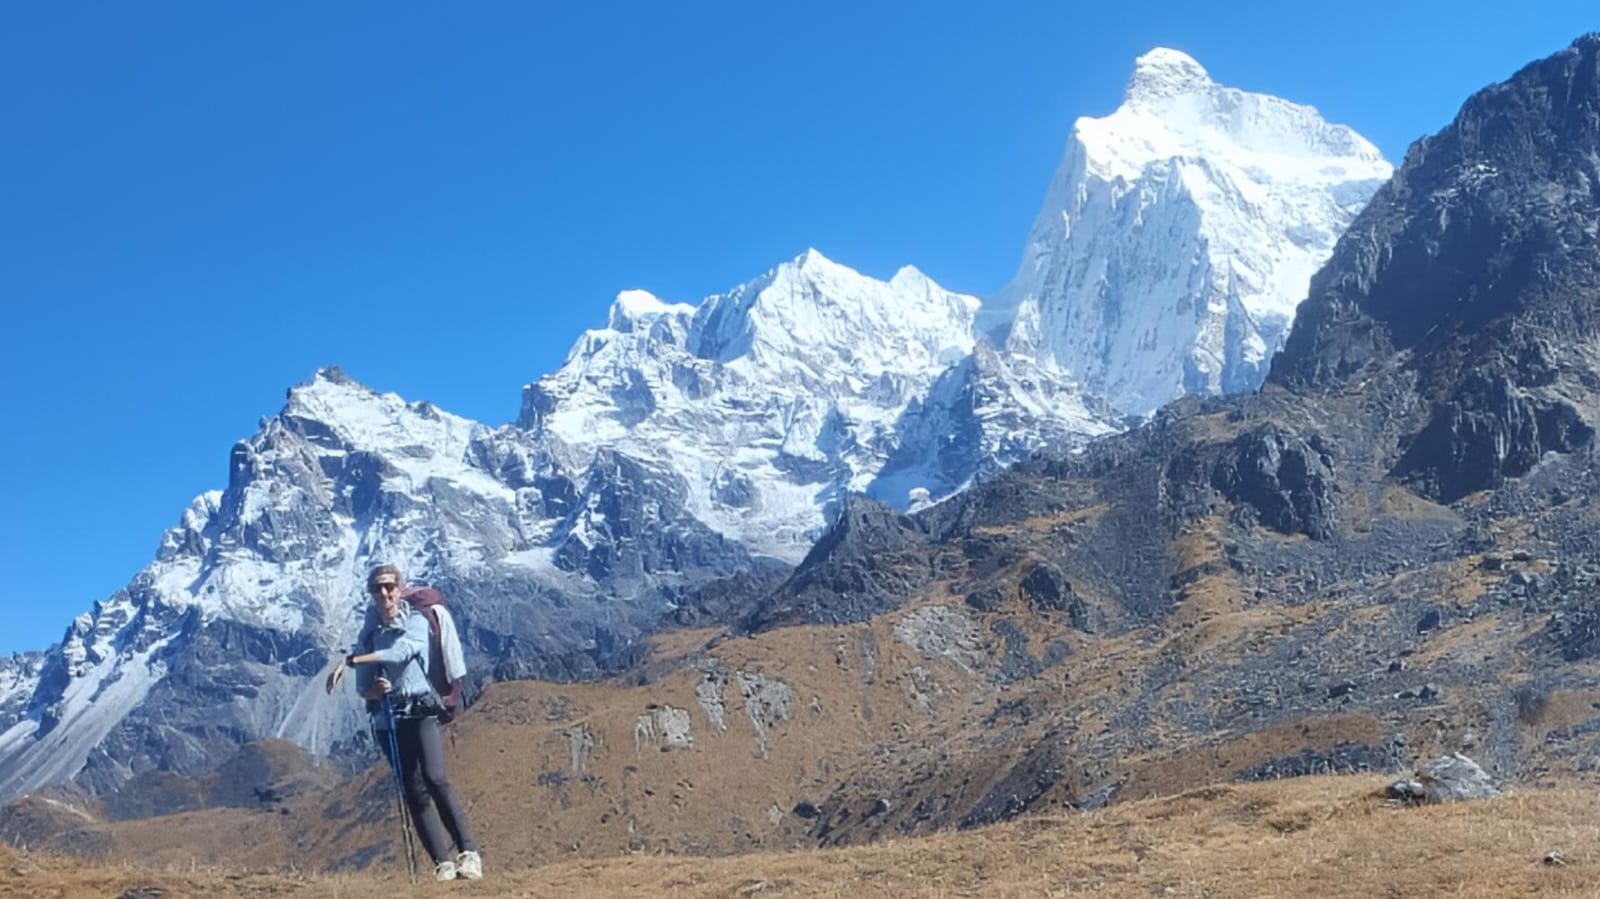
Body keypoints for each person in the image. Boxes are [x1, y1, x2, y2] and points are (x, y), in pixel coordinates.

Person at [327, 564, 483, 882]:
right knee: (414, 790)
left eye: (389, 586)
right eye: (378, 588)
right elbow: (364, 690)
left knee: (435, 778)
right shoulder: (370, 636)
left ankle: (469, 853)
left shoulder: (414, 621)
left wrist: (349, 660)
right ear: (372, 595)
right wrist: (374, 689)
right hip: (389, 719)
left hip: (420, 710)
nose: (384, 593)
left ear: (400, 588)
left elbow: (400, 653)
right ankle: (443, 862)